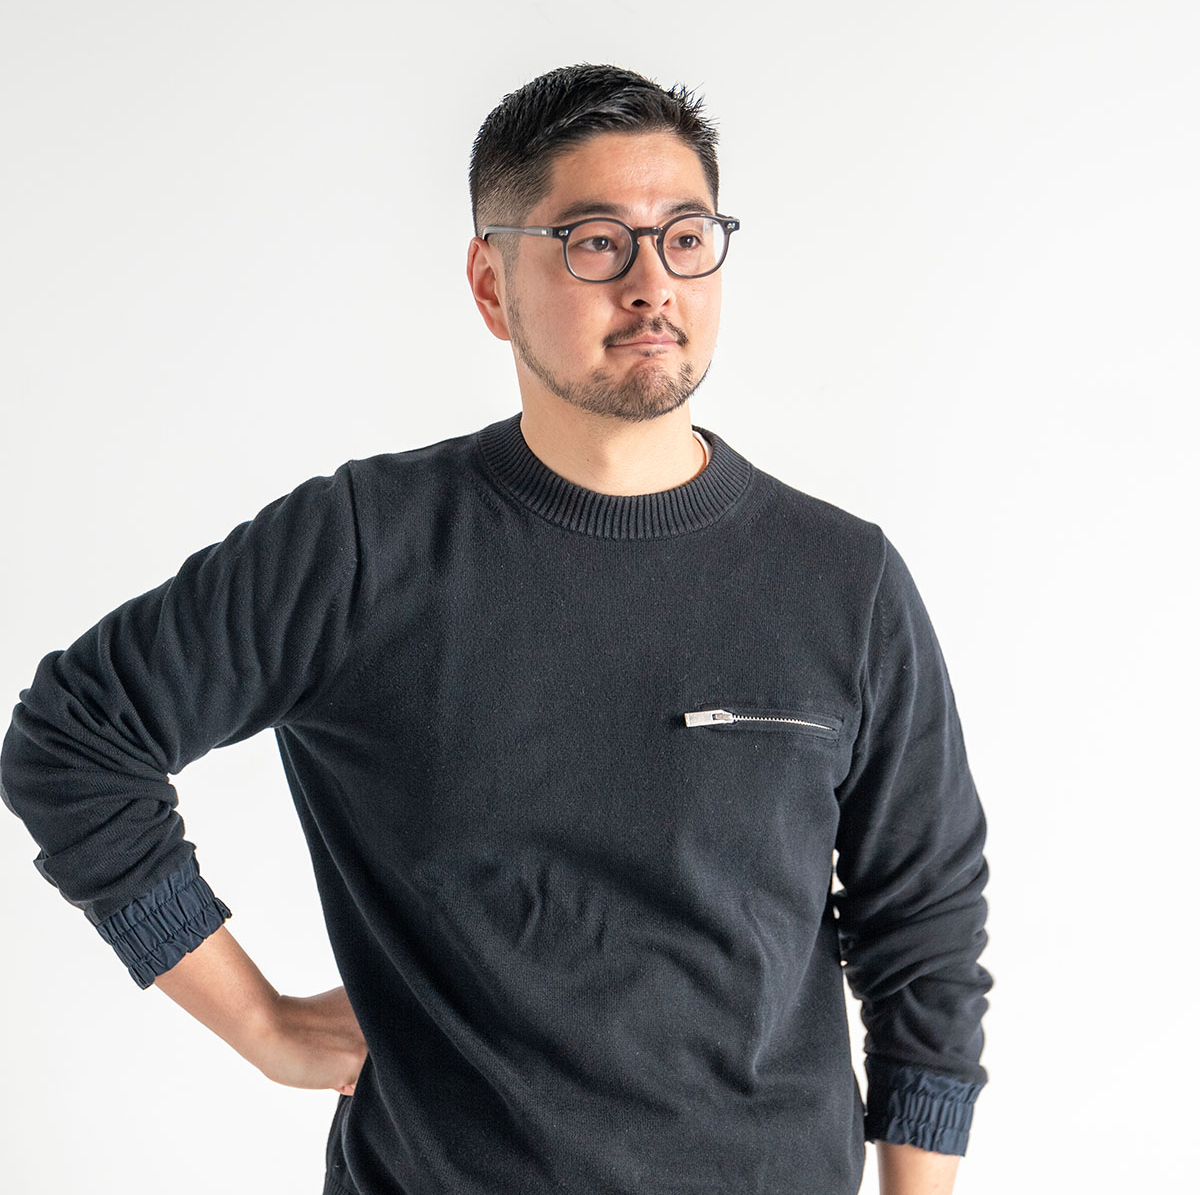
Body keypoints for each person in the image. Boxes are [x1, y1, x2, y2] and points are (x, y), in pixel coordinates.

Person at [1, 63, 990, 1195]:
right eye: (595, 242)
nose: (652, 284)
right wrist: (260, 1024)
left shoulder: (842, 578)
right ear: (491, 284)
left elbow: (923, 924)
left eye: (685, 238)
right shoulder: (365, 548)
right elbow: (74, 741)